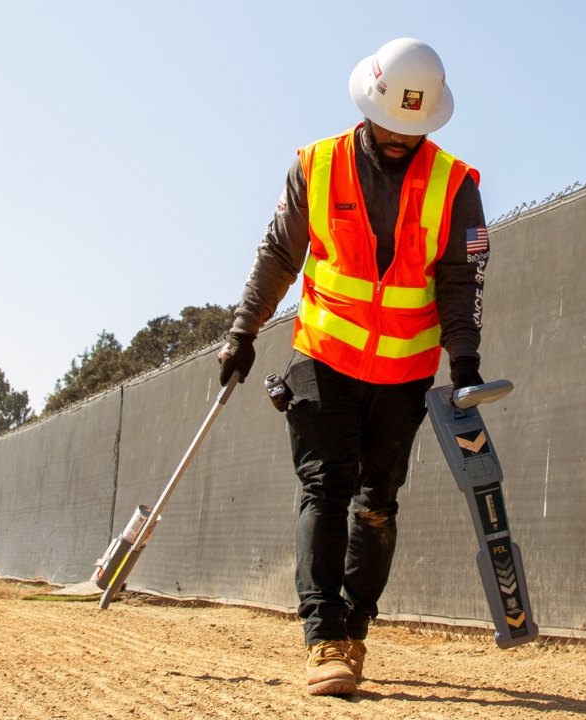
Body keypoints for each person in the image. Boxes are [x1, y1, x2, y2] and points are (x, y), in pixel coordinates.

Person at [217, 38, 490, 696]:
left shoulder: (456, 185)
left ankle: (356, 628)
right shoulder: (317, 166)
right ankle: (322, 637)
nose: (401, 137)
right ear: (369, 105)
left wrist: (466, 361)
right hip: (325, 360)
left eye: (414, 128)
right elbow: (279, 253)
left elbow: (461, 279)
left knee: (378, 506)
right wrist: (243, 330)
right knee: (325, 490)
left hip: (404, 373)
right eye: (392, 123)